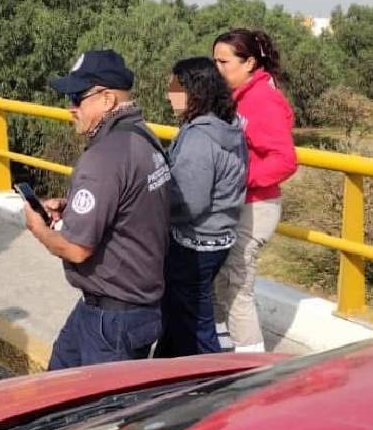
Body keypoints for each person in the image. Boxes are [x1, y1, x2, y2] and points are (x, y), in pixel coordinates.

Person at [23, 49, 172, 370]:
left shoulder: (104, 156)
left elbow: (76, 250)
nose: (70, 109)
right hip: (126, 308)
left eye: (78, 97)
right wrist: (73, 208)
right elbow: (131, 205)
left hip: (111, 322)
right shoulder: (143, 137)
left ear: (107, 100)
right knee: (56, 392)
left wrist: (39, 229)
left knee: (103, 417)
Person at [210, 28, 298, 352]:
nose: (217, 69)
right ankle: (222, 350)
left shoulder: (262, 100)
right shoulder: (239, 97)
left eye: (224, 62)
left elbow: (284, 160)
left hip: (254, 207)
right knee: (219, 279)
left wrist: (237, 178)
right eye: (214, 61)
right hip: (237, 204)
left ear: (249, 63)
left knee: (236, 285)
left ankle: (250, 363)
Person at [154, 57, 247, 357]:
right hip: (217, 238)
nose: (169, 94)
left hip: (193, 245)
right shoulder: (229, 129)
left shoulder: (198, 139)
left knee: (196, 326)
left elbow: (190, 203)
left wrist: (153, 211)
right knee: (177, 315)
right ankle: (164, 372)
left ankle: (212, 387)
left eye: (175, 87)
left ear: (195, 92)